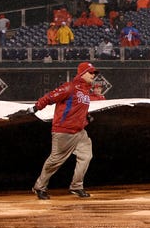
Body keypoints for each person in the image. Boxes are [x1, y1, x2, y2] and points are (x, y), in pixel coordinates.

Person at [23, 62, 99, 200]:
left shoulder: (86, 90)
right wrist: (36, 107)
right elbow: (50, 97)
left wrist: (86, 117)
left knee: (86, 156)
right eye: (91, 72)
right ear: (82, 73)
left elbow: (78, 107)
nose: (94, 75)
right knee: (55, 161)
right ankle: (39, 187)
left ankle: (76, 186)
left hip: (80, 132)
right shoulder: (70, 87)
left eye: (94, 73)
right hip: (64, 131)